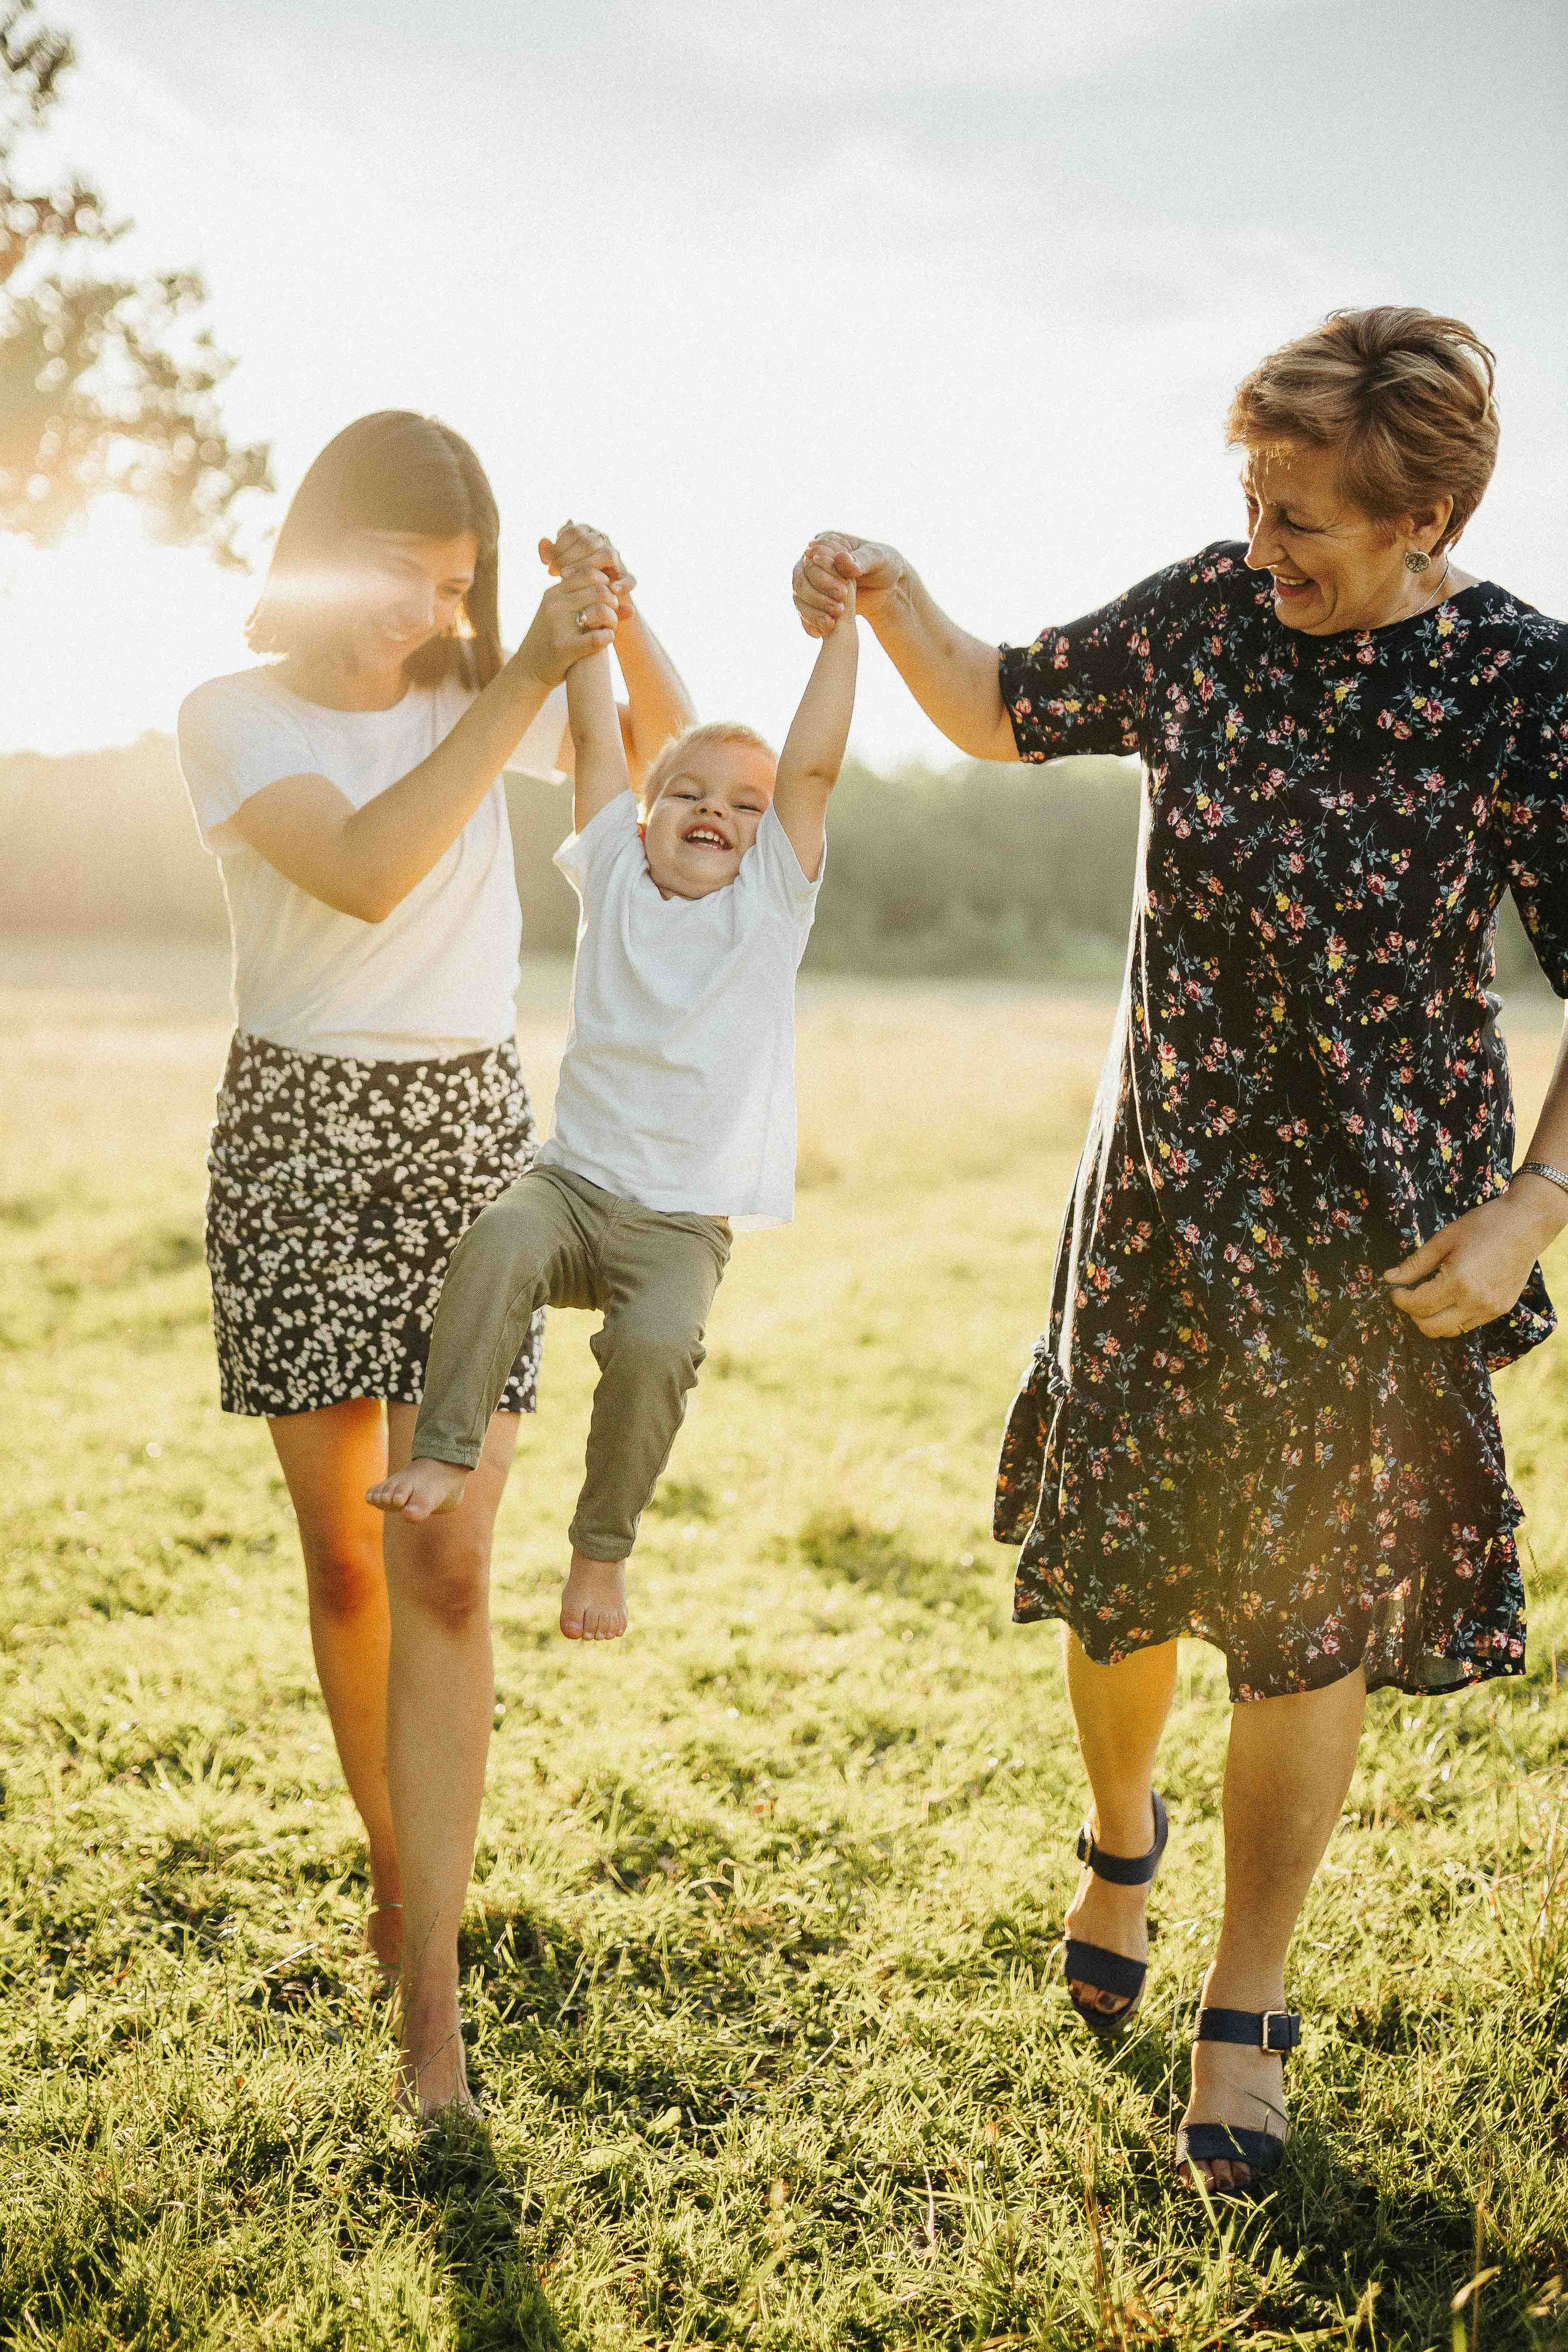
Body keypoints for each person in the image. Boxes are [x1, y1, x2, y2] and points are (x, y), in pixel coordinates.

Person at [791, 307, 1568, 2195]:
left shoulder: (1522, 685)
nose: (1262, 543)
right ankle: (1120, 1831)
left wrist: (1535, 1202)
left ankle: (1246, 1999)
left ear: (1425, 517)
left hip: (1378, 1241)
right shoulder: (1209, 617)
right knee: (1121, 1586)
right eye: (1252, 499)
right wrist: (889, 588)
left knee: (1311, 1623)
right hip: (1156, 1203)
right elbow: (1001, 706)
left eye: (1303, 517)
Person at [176, 410, 695, 1987]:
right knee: (346, 1556)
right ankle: (400, 1876)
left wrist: (610, 613)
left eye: (456, 585)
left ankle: (435, 1943)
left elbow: (664, 758)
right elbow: (363, 867)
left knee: (448, 1559)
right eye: (397, 571)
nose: (425, 611)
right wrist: (521, 673)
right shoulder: (232, 716)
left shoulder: (480, 692)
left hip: (468, 1132)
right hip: (296, 1133)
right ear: (322, 554)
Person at [366, 584, 859, 2112]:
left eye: (744, 805)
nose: (719, 812)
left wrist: (843, 632)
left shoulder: (773, 904)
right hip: (572, 1184)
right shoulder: (611, 872)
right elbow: (596, 737)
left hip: (677, 1223)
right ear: (642, 812)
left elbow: (814, 763)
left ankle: (599, 1554)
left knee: (656, 1348)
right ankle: (446, 1453)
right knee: (495, 1241)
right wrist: (585, 641)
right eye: (689, 790)